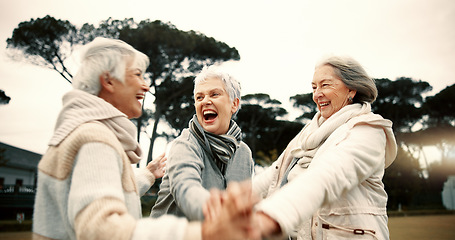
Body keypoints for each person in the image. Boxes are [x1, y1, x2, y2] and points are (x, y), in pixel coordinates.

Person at [32, 37, 259, 240]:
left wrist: (146, 175)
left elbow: (102, 192)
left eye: (214, 94)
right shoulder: (94, 138)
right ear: (109, 81)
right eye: (137, 74)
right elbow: (100, 230)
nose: (146, 85)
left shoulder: (85, 134)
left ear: (234, 104)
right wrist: (207, 230)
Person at [250, 55, 398, 240]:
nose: (317, 94)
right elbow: (273, 174)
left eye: (325, 85)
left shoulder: (369, 130)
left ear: (351, 89)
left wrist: (271, 216)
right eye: (314, 87)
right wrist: (234, 201)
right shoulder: (308, 133)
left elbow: (327, 176)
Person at [151, 65, 255, 221]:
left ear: (234, 104)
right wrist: (220, 214)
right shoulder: (184, 145)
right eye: (199, 97)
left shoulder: (244, 153)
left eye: (214, 94)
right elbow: (185, 189)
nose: (205, 101)